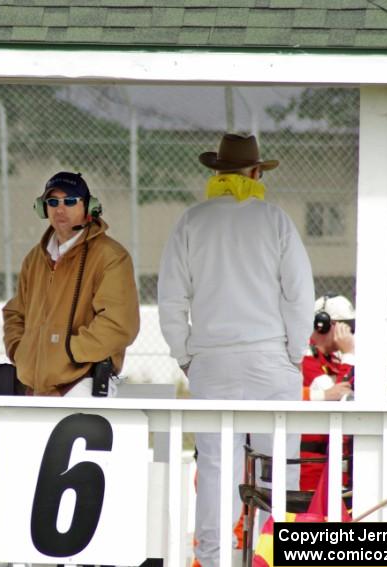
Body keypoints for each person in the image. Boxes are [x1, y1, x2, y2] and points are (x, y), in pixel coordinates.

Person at [157, 134, 314, 567]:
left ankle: (212, 559)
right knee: (278, 464)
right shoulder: (275, 220)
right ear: (257, 172)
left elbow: (170, 298)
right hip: (269, 357)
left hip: (212, 359)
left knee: (215, 467)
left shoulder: (192, 221)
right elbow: (299, 296)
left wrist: (185, 354)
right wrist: (295, 354)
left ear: (216, 173)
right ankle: (278, 556)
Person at [3, 171, 140, 397]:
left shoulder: (111, 256)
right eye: (53, 202)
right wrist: (22, 352)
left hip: (83, 384)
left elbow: (120, 323)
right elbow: (15, 312)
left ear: (88, 206)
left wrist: (68, 352)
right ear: (43, 208)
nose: (60, 208)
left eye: (69, 201)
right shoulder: (34, 258)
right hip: (34, 388)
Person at [300, 294, 355, 491]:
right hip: (307, 463)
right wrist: (349, 354)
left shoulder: (333, 361)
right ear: (321, 324)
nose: (349, 333)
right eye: (345, 325)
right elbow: (335, 397)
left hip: (328, 458)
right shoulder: (303, 355)